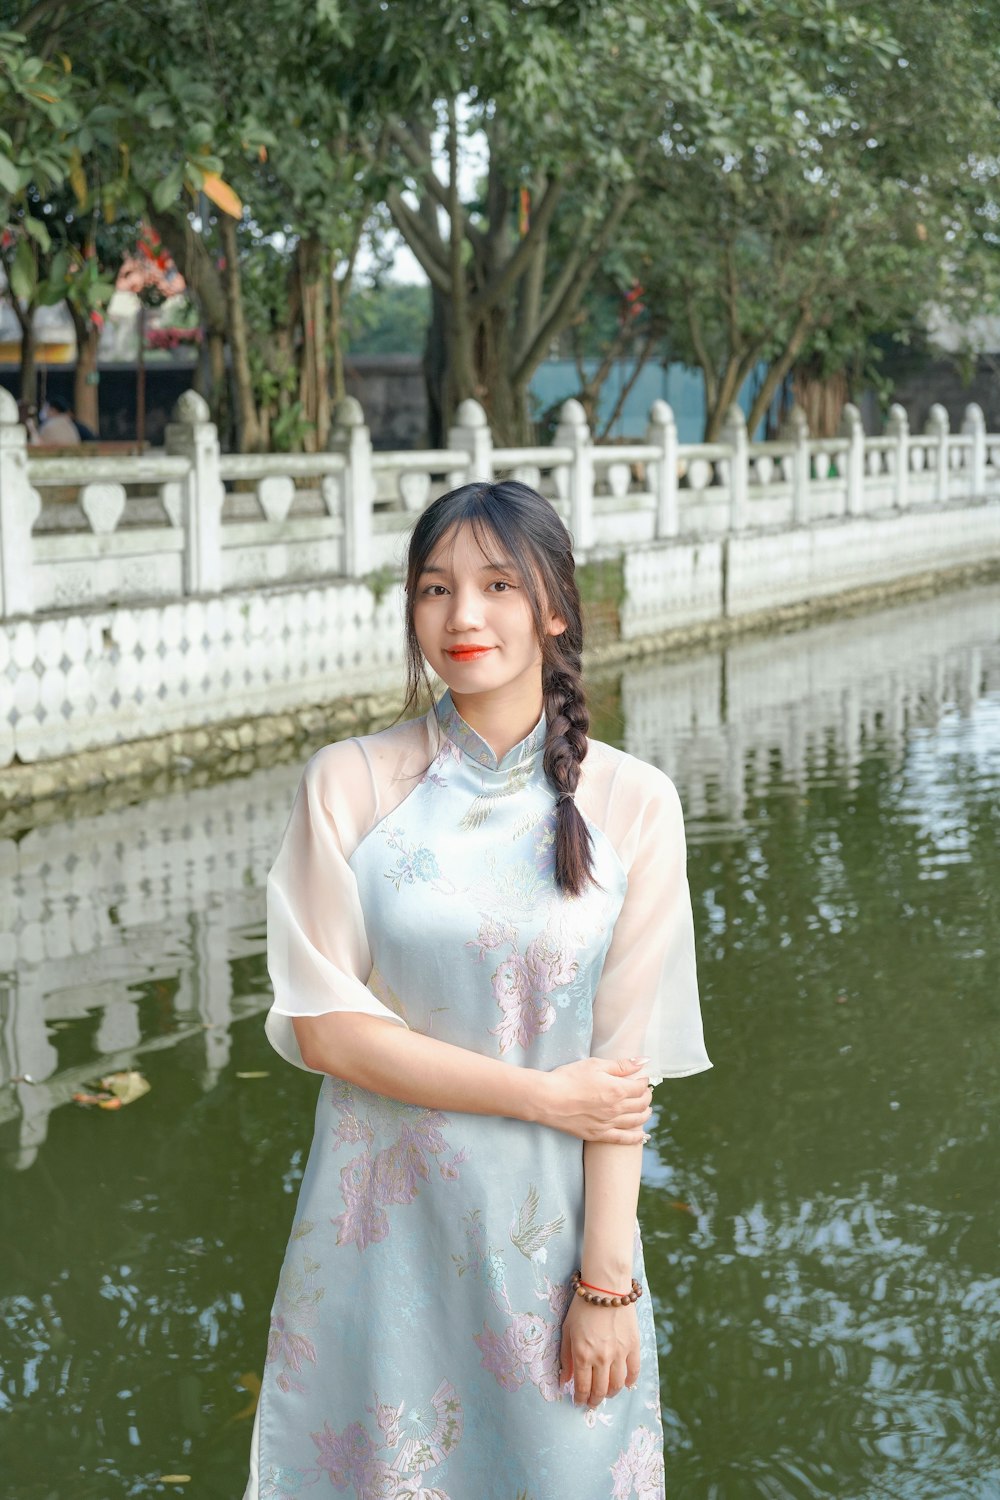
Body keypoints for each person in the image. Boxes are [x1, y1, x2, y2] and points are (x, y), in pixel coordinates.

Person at [243, 480, 712, 1500]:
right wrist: (544, 1094)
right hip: (382, 1232)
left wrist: (604, 1283)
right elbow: (326, 1031)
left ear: (553, 607)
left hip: (555, 1239)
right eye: (434, 588)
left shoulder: (633, 802)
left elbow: (622, 1077)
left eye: (499, 585)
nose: (462, 616)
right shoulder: (351, 783)